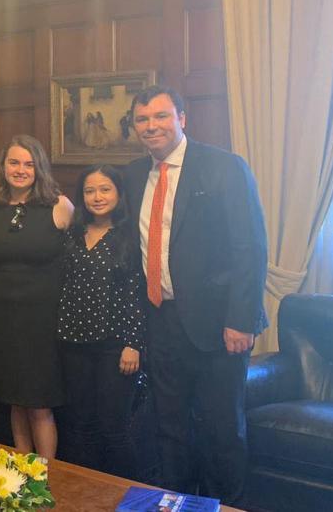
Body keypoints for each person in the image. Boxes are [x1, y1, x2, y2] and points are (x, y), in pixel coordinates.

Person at [123, 85, 267, 503]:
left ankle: (228, 506)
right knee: (169, 427)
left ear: (182, 119)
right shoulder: (133, 175)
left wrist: (241, 319)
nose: (152, 127)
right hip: (161, 320)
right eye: (143, 120)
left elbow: (250, 247)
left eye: (161, 116)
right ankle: (178, 504)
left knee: (221, 428)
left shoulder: (224, 167)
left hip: (220, 325)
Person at [0, 135, 72, 458]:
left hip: (43, 319)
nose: (20, 170)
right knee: (14, 398)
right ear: (3, 166)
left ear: (39, 168)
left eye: (28, 164)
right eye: (14, 162)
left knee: (39, 402)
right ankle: (24, 474)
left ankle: (47, 476)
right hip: (3, 315)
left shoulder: (59, 206)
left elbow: (79, 262)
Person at [57, 165, 144, 478]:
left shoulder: (131, 236)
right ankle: (89, 496)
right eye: (90, 190)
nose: (97, 197)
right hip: (73, 343)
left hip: (115, 346)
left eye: (105, 189)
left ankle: (131, 498)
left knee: (114, 428)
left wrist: (133, 344)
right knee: (80, 425)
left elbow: (137, 295)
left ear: (118, 194)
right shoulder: (73, 233)